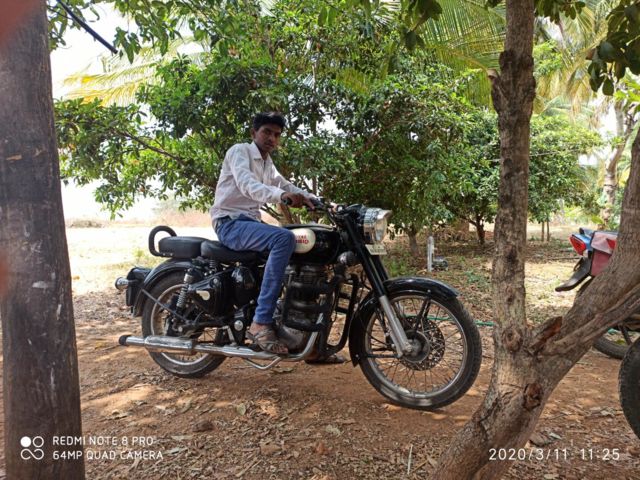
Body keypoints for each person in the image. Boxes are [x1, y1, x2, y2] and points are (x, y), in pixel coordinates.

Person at [210, 112, 315, 354]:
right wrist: (282, 196)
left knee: (305, 244)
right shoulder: (240, 152)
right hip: (229, 222)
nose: (272, 138)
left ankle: (307, 337)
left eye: (277, 135)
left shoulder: (267, 164)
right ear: (253, 132)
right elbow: (247, 185)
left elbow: (285, 184)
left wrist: (314, 199)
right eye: (267, 132)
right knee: (284, 238)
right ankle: (260, 322)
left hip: (249, 223)